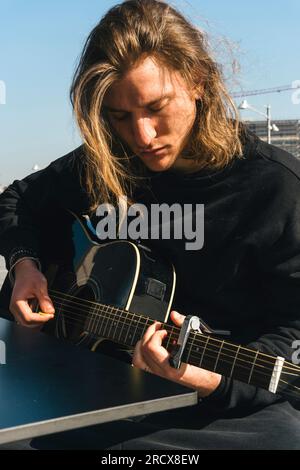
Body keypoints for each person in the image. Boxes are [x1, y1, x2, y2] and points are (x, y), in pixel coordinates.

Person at [0, 0, 300, 450]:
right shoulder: (105, 162)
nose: (142, 136)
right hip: (78, 378)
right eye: (119, 116)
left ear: (197, 81)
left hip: (208, 407)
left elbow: (293, 333)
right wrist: (26, 266)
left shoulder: (274, 187)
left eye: (157, 107)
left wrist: (211, 381)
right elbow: (16, 201)